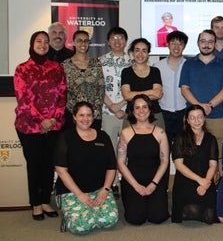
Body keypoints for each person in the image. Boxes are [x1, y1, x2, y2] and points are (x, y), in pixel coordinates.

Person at [14, 31, 67, 220]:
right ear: (32, 43)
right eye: (39, 41)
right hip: (29, 126)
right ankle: (35, 203)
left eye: (46, 42)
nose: (43, 45)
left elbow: (62, 95)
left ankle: (45, 200)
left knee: (48, 164)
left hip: (53, 125)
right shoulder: (22, 69)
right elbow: (24, 99)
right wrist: (41, 120)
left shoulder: (56, 67)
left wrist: (53, 119)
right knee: (35, 164)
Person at [54, 101, 118, 235]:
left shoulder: (103, 136)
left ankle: (90, 212)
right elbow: (61, 170)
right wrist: (80, 195)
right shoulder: (66, 137)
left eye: (89, 115)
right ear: (74, 117)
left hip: (99, 189)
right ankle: (68, 215)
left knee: (109, 220)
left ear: (93, 117)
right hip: (72, 190)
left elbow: (112, 167)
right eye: (81, 115)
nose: (85, 119)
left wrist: (105, 190)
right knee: (81, 226)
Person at [117, 94, 170, 225]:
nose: (141, 111)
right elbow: (121, 163)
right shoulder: (126, 133)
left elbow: (164, 161)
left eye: (144, 107)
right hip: (133, 179)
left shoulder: (160, 133)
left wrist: (153, 184)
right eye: (137, 108)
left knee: (157, 217)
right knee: (136, 219)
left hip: (155, 179)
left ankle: (151, 199)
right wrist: (136, 186)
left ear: (150, 109)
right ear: (132, 111)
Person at [179, 29, 223, 162]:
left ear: (215, 44)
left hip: (216, 115)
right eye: (203, 41)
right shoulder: (188, 64)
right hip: (192, 117)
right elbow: (184, 89)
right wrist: (199, 107)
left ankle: (217, 183)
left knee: (218, 155)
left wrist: (210, 106)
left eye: (210, 42)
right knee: (192, 154)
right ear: (197, 43)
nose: (206, 44)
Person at [171, 105, 219, 224]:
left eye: (199, 117)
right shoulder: (180, 138)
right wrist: (199, 180)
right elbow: (179, 165)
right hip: (186, 180)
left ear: (204, 119)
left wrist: (206, 183)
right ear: (187, 120)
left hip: (206, 179)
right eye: (192, 118)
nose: (196, 121)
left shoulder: (211, 139)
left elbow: (213, 165)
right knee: (194, 211)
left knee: (209, 217)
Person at [99, 27, 131, 196]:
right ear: (108, 41)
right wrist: (112, 106)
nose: (117, 41)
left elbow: (136, 86)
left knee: (128, 149)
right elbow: (99, 86)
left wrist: (121, 104)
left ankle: (127, 182)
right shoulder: (100, 61)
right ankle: (111, 183)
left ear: (125, 41)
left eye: (121, 38)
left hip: (129, 112)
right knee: (110, 149)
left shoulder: (132, 60)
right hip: (107, 111)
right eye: (114, 38)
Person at [151, 30, 189, 149]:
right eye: (173, 43)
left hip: (184, 113)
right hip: (163, 113)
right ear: (167, 44)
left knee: (182, 149)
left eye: (180, 43)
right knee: (162, 148)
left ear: (184, 46)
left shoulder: (190, 65)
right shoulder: (157, 66)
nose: (176, 47)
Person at [63, 30, 105, 131]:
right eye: (79, 41)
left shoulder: (96, 63)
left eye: (86, 41)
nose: (83, 44)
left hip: (94, 115)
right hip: (73, 114)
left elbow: (101, 88)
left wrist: (93, 111)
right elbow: (63, 91)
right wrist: (77, 112)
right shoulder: (65, 65)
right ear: (73, 43)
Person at [121, 38, 165, 129]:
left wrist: (134, 94)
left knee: (157, 142)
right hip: (132, 115)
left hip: (154, 114)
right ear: (132, 53)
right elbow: (126, 96)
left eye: (144, 51)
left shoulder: (155, 71)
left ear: (148, 54)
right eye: (137, 50)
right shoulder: (126, 72)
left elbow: (157, 94)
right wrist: (151, 92)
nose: (140, 54)